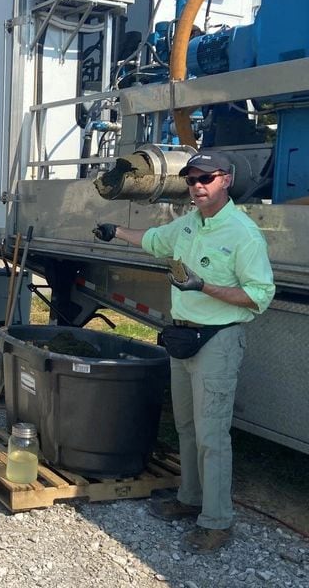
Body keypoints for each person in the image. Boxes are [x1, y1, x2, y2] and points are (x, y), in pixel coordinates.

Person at [93, 149, 275, 554]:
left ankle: (217, 522)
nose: (197, 187)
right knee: (187, 429)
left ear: (225, 180)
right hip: (183, 337)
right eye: (192, 179)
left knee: (212, 436)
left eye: (206, 179)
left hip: (219, 340)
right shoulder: (189, 224)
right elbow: (155, 241)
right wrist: (116, 232)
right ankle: (190, 499)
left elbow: (260, 295)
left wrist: (203, 287)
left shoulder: (243, 234)